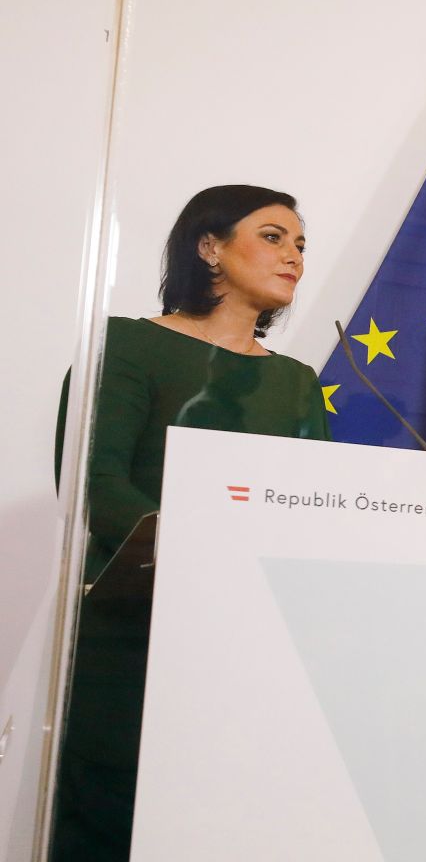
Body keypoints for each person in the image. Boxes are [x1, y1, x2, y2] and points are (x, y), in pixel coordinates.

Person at [50, 185, 331, 861]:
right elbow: (97, 480)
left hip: (244, 650)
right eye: (272, 236)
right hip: (130, 642)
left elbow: (313, 510)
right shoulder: (125, 345)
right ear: (209, 246)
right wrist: (206, 553)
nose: (292, 254)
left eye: (300, 244)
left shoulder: (298, 382)